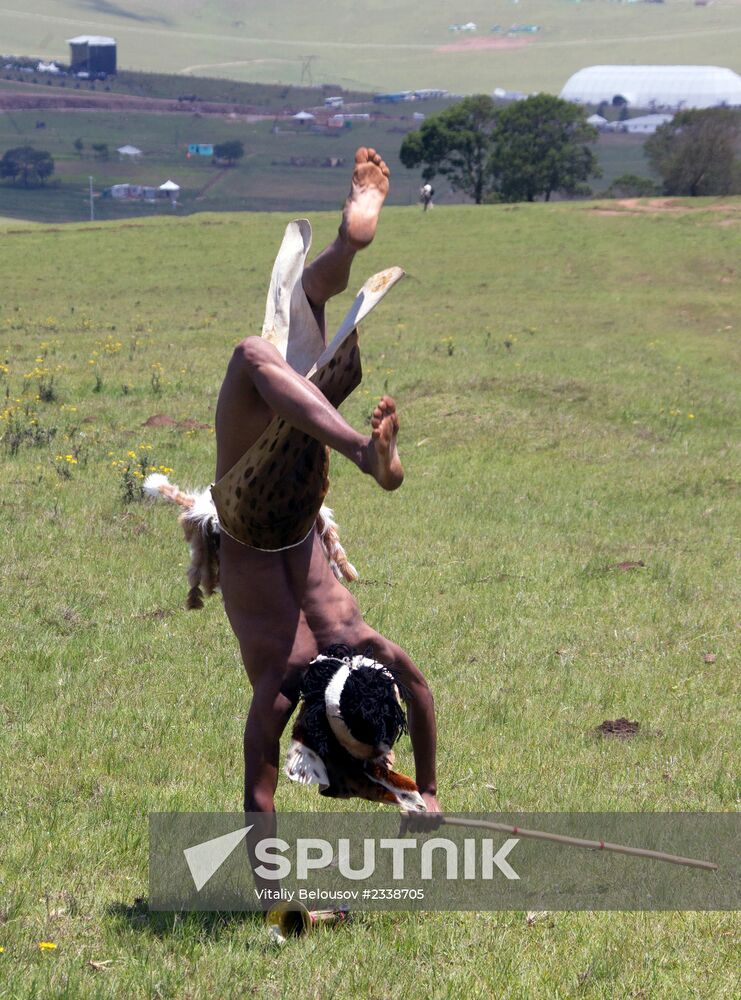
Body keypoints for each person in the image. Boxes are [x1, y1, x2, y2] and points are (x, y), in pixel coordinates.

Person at [213, 148, 440, 818]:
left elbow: (417, 688)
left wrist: (423, 785)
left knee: (262, 350)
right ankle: (357, 447)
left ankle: (354, 446)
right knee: (282, 344)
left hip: (265, 510)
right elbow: (260, 790)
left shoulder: (343, 652)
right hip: (274, 507)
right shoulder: (321, 663)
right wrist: (422, 790)